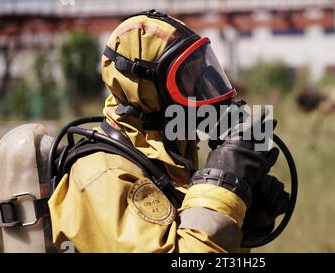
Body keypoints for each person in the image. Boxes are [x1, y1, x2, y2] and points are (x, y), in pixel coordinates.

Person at [48, 10, 289, 253]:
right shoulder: (103, 176)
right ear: (146, 90)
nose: (200, 87)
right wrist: (220, 186)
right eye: (186, 76)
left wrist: (242, 220)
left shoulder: (169, 159)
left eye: (201, 70)